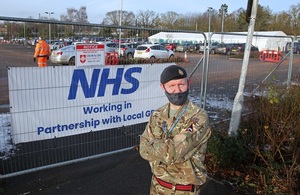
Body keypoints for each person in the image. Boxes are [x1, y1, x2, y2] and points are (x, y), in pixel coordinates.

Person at [139, 65, 211, 195]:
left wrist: (154, 146)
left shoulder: (198, 117)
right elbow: (142, 149)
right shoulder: (157, 115)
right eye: (171, 86)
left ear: (188, 84)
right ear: (163, 87)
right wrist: (162, 148)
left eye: (181, 84)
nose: (177, 90)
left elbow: (172, 153)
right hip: (156, 186)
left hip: (183, 190)